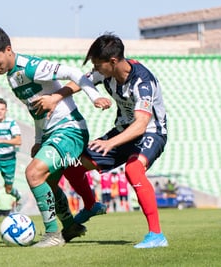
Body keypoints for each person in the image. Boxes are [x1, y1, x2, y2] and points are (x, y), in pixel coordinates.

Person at [0, 26, 111, 247]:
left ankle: (52, 234)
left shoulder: (30, 67)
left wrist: (94, 97)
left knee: (33, 174)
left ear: (8, 49)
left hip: (70, 130)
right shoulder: (12, 77)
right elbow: (37, 111)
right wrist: (39, 140)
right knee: (47, 183)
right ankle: (70, 226)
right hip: (52, 133)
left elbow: (75, 74)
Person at [53, 34, 168, 248]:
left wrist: (110, 143)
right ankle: (91, 206)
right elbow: (81, 82)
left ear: (113, 61)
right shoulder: (106, 73)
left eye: (98, 64)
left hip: (151, 132)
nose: (96, 69)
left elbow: (142, 123)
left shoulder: (143, 82)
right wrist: (55, 97)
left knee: (133, 170)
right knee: (72, 165)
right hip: (123, 132)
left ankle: (156, 235)